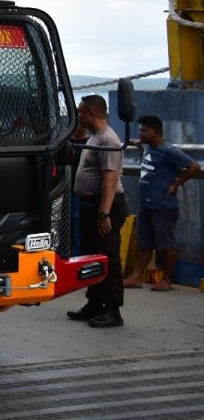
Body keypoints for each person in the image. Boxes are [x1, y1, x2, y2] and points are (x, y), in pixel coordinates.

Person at [66, 94, 129, 328]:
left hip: (105, 206)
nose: (78, 115)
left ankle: (113, 310)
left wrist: (104, 214)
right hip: (90, 205)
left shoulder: (108, 140)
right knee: (92, 256)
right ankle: (94, 303)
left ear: (92, 114)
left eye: (81, 112)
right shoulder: (95, 138)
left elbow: (110, 180)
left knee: (107, 257)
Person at [123, 115, 200, 291]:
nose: (140, 133)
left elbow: (194, 166)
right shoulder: (147, 146)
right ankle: (136, 277)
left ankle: (167, 279)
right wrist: (134, 141)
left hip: (163, 206)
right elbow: (139, 143)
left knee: (167, 245)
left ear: (155, 132)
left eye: (144, 130)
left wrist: (175, 185)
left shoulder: (169, 151)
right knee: (145, 244)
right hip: (146, 205)